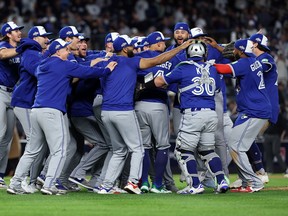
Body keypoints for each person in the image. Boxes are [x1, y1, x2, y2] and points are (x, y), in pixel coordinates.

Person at [7, 38, 117, 195]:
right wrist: (106, 70)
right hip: (52, 111)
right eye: (65, 49)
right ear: (58, 51)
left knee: (32, 150)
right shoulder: (63, 65)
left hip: (36, 111)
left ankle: (15, 183)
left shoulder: (43, 65)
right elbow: (86, 72)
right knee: (60, 150)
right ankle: (49, 184)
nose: (68, 51)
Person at [96, 35, 193, 194]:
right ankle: (133, 183)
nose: (134, 49)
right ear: (125, 49)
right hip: (123, 110)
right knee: (138, 148)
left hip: (106, 112)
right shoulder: (131, 61)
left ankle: (106, 185)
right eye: (131, 47)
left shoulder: (108, 62)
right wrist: (181, 48)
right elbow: (157, 61)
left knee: (119, 150)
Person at [151, 40, 229, 194]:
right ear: (204, 54)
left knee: (183, 151)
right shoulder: (212, 69)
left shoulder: (183, 67)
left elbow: (159, 82)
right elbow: (217, 87)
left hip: (193, 113)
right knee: (207, 150)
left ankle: (195, 184)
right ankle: (221, 181)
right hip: (211, 113)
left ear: (188, 53)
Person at [214, 39, 272, 193]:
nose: (232, 51)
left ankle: (254, 182)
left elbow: (223, 69)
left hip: (254, 110)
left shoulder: (244, 63)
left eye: (235, 49)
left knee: (235, 146)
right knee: (237, 145)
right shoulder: (252, 60)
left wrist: (205, 65)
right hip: (251, 109)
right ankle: (245, 182)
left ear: (241, 50)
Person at [10, 26, 52, 192]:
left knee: (37, 143)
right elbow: (39, 72)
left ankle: (28, 180)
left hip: (28, 102)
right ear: (36, 38)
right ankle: (21, 181)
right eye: (44, 37)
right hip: (24, 101)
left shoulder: (35, 52)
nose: (47, 40)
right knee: (34, 144)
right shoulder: (30, 52)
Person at [135, 31, 172, 193]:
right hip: (158, 105)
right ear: (157, 44)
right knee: (162, 145)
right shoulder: (166, 60)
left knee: (144, 147)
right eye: (163, 42)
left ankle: (143, 183)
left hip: (139, 105)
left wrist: (146, 83)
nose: (164, 44)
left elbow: (138, 77)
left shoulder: (140, 58)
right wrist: (157, 83)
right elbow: (167, 81)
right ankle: (158, 184)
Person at [0, 21, 23, 188]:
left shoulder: (21, 48)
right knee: (0, 134)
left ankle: (0, 175)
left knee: (7, 138)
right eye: (16, 30)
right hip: (0, 91)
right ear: (8, 33)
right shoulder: (3, 45)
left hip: (13, 93)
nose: (19, 32)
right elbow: (3, 55)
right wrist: (23, 49)